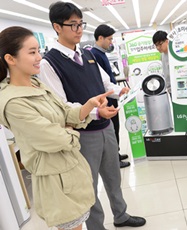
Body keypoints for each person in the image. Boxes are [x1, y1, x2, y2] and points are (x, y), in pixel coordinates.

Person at [38, 2, 146, 230]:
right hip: (82, 134)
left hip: (105, 127)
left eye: (80, 24)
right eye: (73, 25)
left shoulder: (88, 54)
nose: (78, 29)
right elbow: (62, 106)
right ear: (57, 27)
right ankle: (96, 226)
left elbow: (105, 83)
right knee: (89, 185)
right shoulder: (50, 63)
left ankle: (121, 215)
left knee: (113, 176)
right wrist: (96, 110)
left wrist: (121, 91)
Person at [0, 26, 114, 230]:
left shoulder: (36, 85)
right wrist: (70, 131)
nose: (39, 57)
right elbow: (54, 138)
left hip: (70, 170)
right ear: (11, 58)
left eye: (38, 51)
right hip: (56, 180)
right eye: (32, 52)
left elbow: (63, 113)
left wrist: (87, 106)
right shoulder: (13, 102)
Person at [91, 24, 130, 168]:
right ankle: (114, 160)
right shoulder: (95, 55)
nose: (111, 42)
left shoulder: (101, 54)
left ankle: (116, 154)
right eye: (109, 39)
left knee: (116, 128)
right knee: (112, 129)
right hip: (107, 99)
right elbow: (101, 82)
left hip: (113, 96)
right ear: (100, 38)